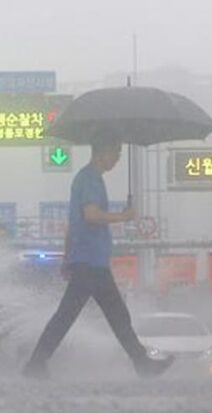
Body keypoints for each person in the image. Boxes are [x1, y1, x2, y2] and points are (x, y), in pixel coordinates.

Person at [22, 141, 172, 379]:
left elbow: (73, 225)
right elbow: (90, 216)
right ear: (102, 152)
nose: (118, 158)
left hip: (90, 262)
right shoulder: (90, 179)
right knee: (74, 316)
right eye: (116, 152)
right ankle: (35, 364)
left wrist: (67, 257)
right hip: (90, 263)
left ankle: (141, 363)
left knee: (113, 315)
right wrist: (123, 216)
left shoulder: (87, 179)